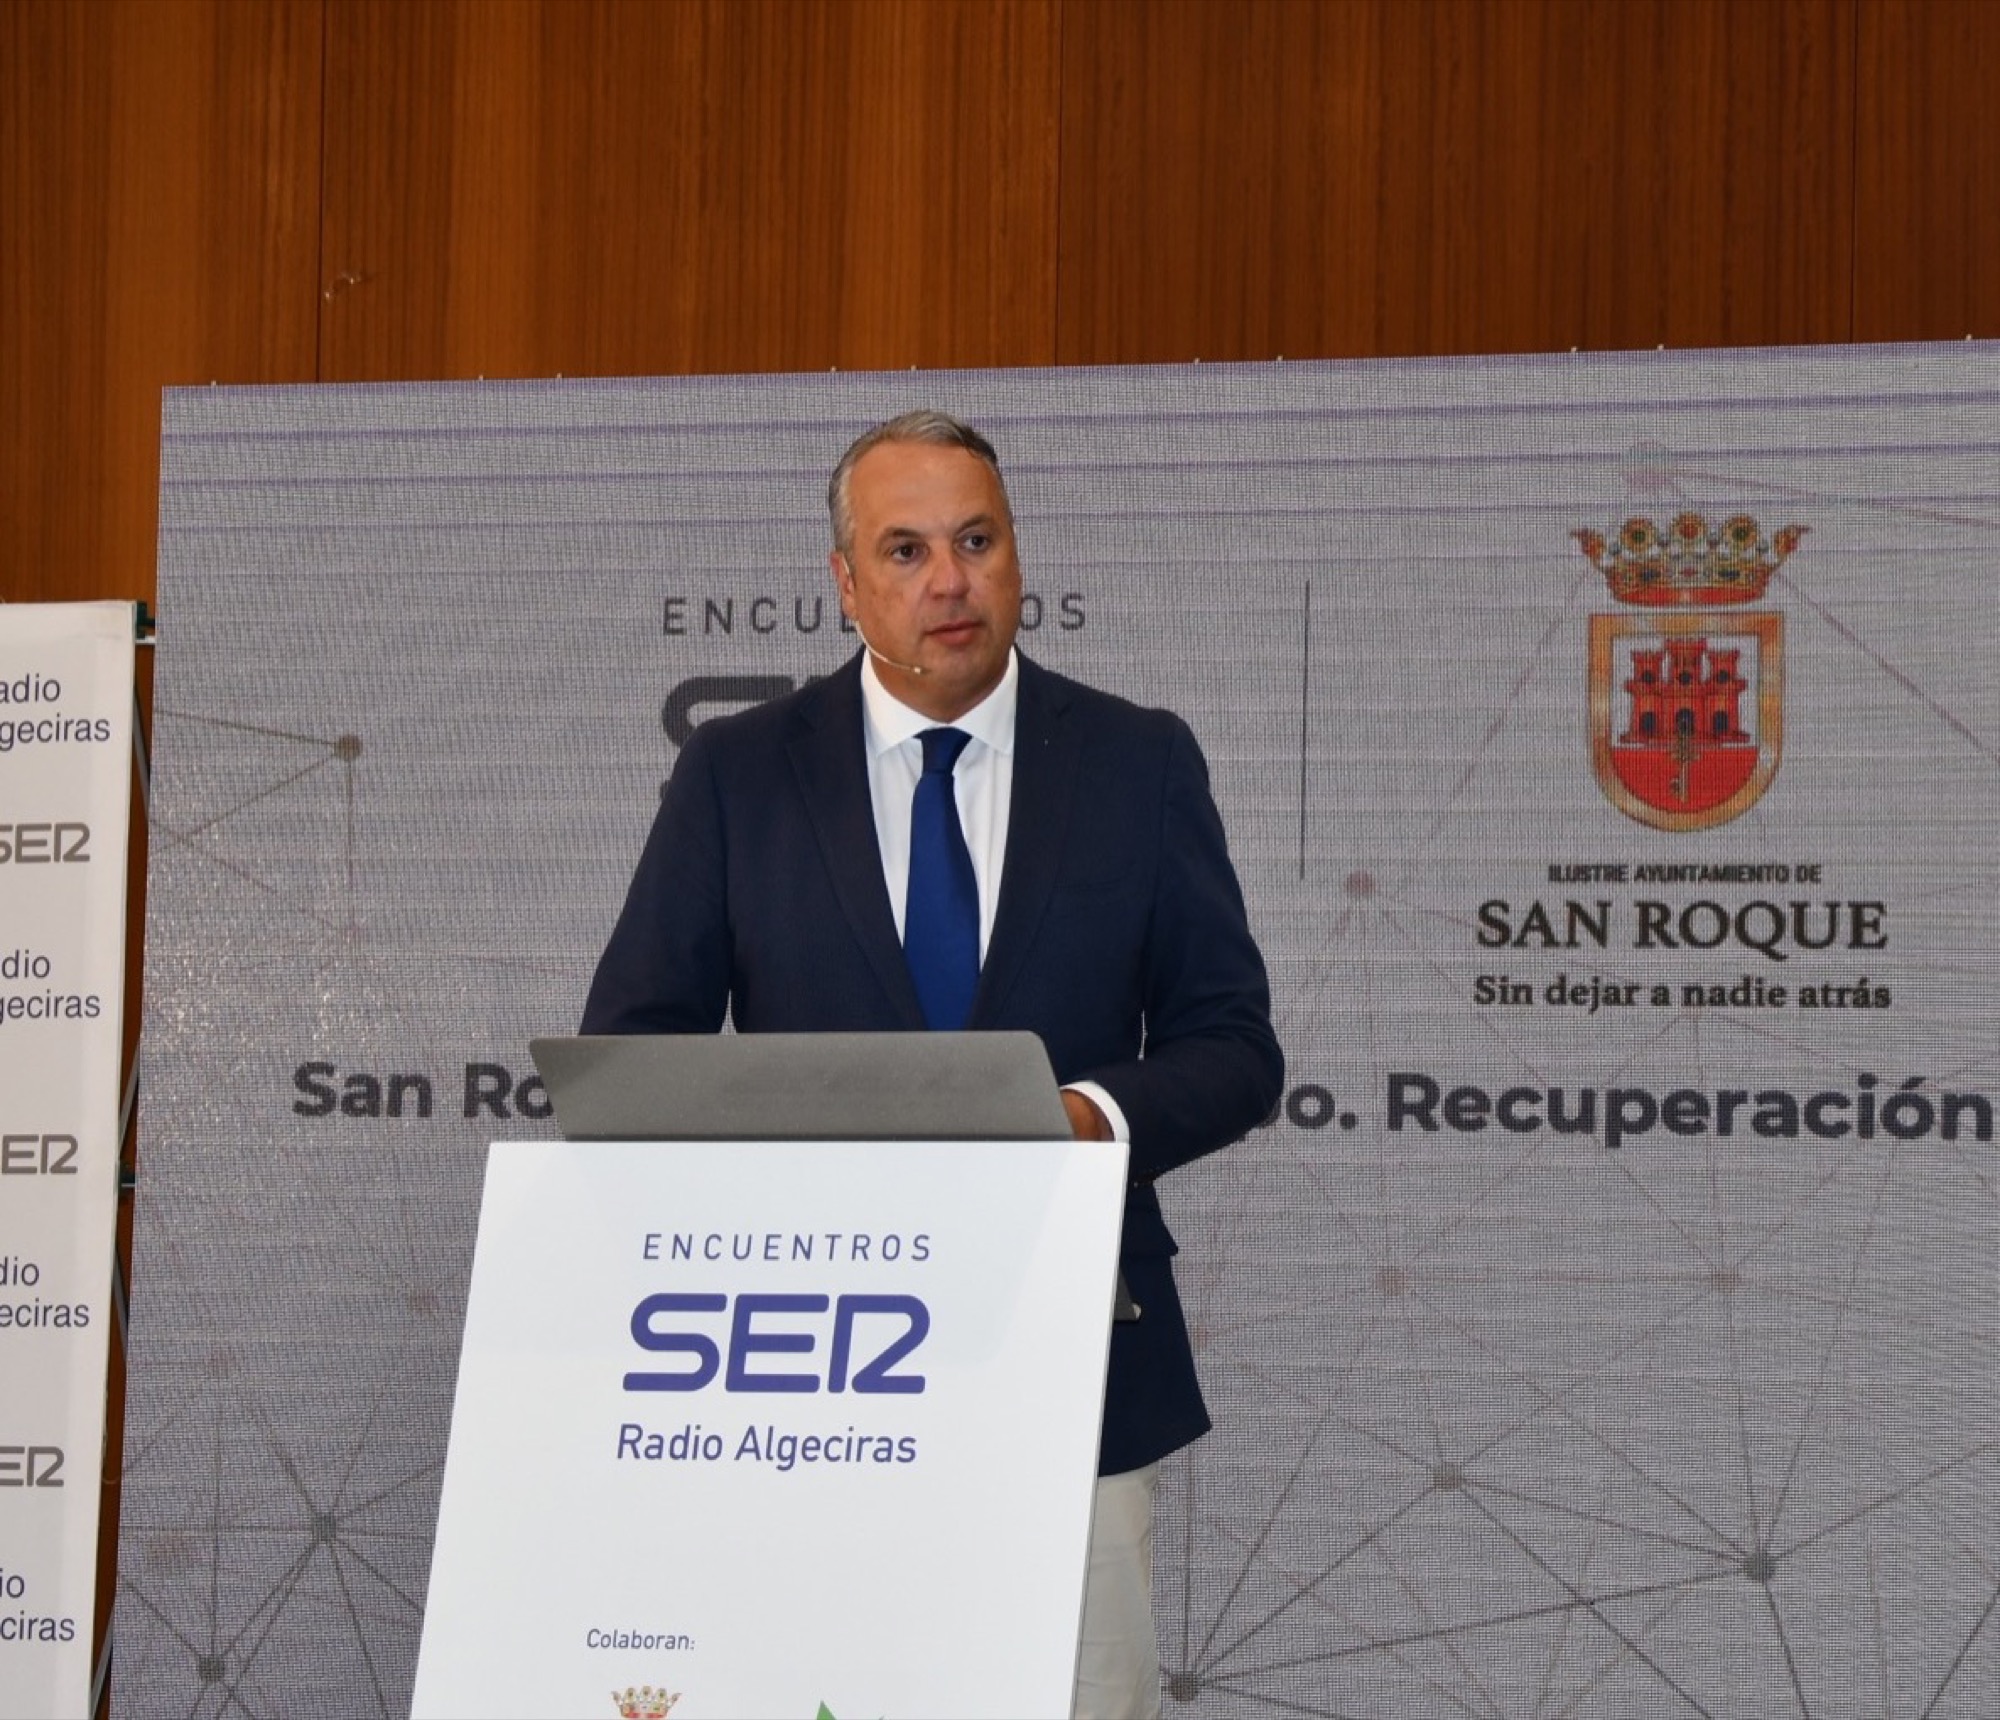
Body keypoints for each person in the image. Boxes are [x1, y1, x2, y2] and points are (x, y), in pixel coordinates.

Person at [583, 409, 1283, 1719]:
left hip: (1074, 1366)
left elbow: (1234, 1048)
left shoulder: (1139, 763)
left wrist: (1086, 1116)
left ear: (1018, 556)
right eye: (904, 551)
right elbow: (632, 1055)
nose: (948, 580)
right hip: (805, 1375)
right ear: (846, 585)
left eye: (976, 541)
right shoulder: (739, 773)